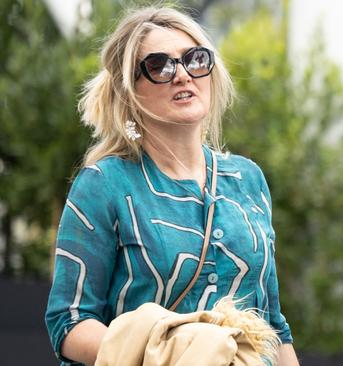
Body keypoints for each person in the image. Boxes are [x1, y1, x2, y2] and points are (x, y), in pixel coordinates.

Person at [44, 6, 299, 366]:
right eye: (160, 66)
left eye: (195, 60)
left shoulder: (248, 179)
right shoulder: (104, 184)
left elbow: (273, 325)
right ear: (129, 91)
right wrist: (164, 352)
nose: (182, 75)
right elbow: (68, 322)